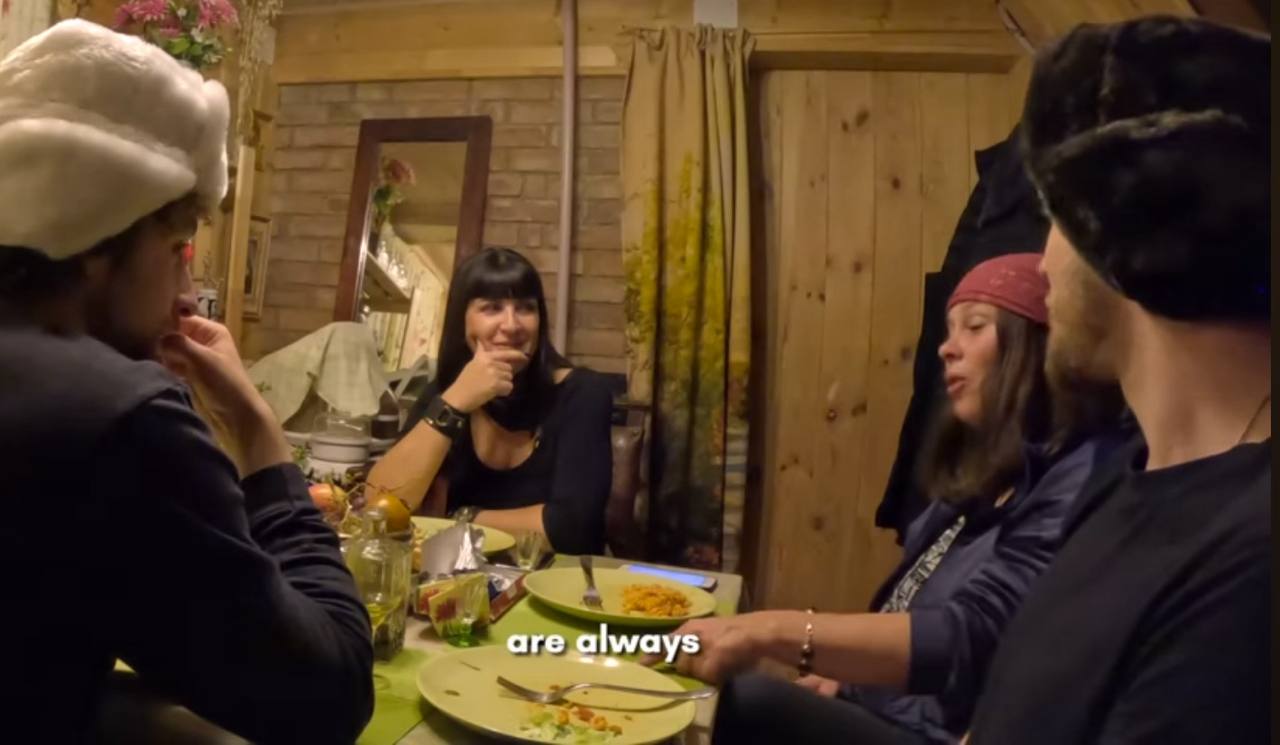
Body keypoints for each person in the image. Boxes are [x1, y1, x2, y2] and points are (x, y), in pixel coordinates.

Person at [0, 21, 373, 744]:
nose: (185, 294)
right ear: (94, 238)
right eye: (176, 249)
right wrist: (261, 435)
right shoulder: (118, 418)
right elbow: (328, 694)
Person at [653, 254, 1124, 744]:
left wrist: (771, 631)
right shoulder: (985, 478)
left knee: (748, 702)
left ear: (1035, 342)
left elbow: (969, 635)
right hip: (888, 707)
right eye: (949, 330)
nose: (947, 348)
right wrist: (850, 678)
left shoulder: (1082, 475)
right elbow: (909, 611)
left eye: (975, 327)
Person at [964, 17, 1269, 744]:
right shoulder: (1127, 473)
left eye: (1056, 221)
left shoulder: (1252, 570)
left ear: (1120, 226)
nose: (1042, 263)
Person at [367, 247, 615, 555]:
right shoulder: (447, 391)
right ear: (462, 321)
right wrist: (455, 402)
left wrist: (460, 518)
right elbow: (379, 506)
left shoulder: (582, 393)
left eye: (525, 308)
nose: (511, 325)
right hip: (457, 577)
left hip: (555, 577)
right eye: (492, 308)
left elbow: (572, 530)